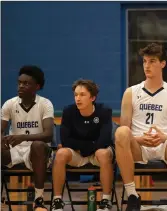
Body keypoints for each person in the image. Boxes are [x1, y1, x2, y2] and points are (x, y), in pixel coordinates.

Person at [115, 43, 167, 211]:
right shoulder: (130, 92)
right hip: (139, 146)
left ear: (163, 64)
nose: (147, 65)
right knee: (121, 132)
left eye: (152, 61)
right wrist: (139, 139)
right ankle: (132, 195)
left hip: (165, 147)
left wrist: (164, 138)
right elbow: (125, 131)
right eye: (144, 61)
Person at [51, 79, 114, 211]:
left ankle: (106, 200)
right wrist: (87, 146)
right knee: (61, 153)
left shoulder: (104, 111)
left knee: (103, 153)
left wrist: (82, 147)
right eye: (76, 95)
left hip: (96, 153)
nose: (78, 98)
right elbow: (65, 140)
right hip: (78, 154)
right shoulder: (68, 111)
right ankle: (57, 200)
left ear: (92, 97)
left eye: (82, 95)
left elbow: (105, 140)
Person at [1, 65, 54, 211]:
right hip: (15, 150)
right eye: (19, 83)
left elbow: (49, 134)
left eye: (26, 83)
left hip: (38, 152)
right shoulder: (9, 104)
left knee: (37, 145)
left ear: (36, 86)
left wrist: (22, 137)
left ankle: (39, 199)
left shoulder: (45, 104)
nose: (21, 86)